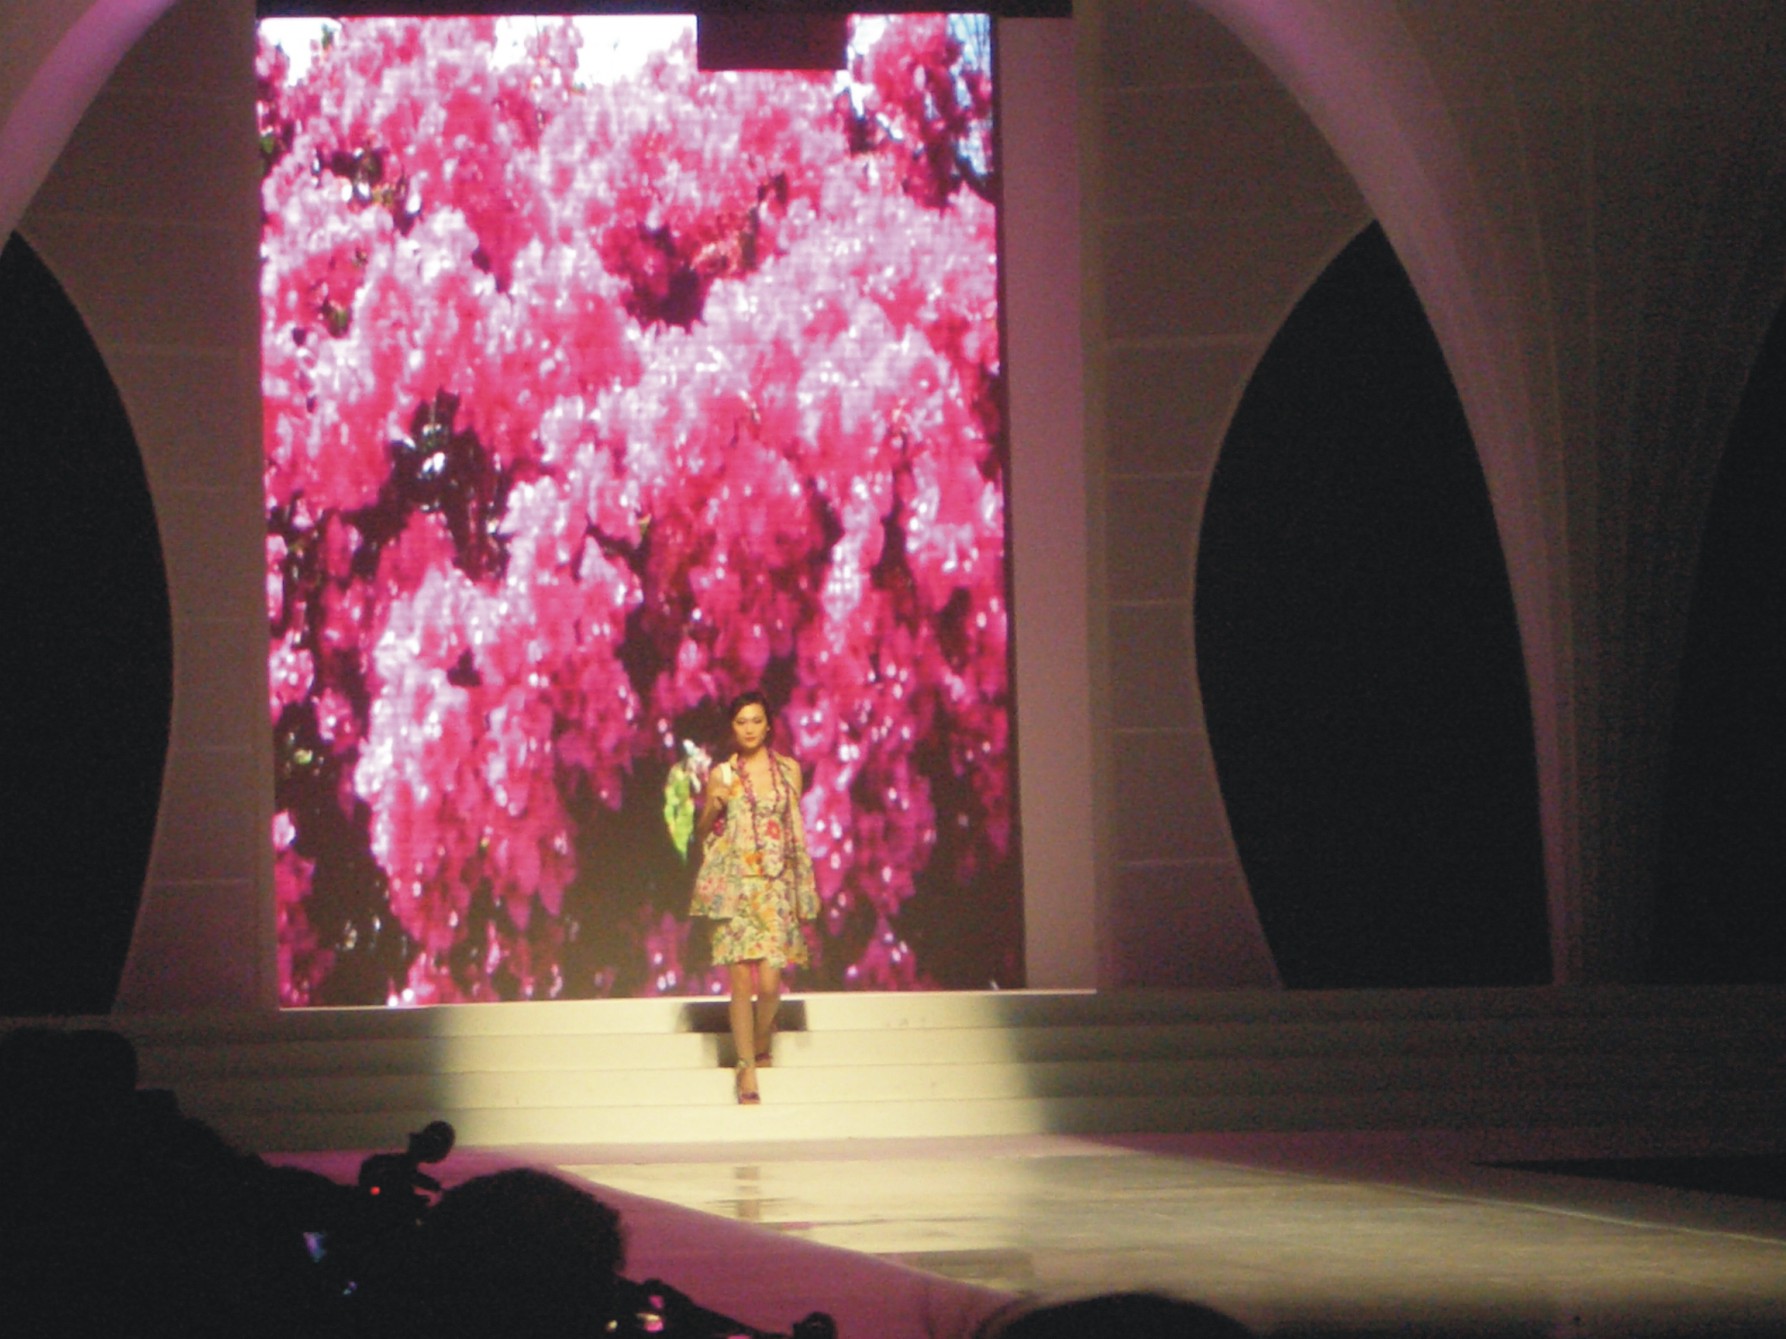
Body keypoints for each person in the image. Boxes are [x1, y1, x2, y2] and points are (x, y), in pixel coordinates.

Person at [689, 690, 818, 1104]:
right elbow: (702, 832)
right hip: (737, 885)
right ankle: (746, 1069)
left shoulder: (789, 771)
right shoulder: (723, 774)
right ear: (733, 727)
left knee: (771, 980)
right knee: (742, 980)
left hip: (775, 885)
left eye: (756, 720)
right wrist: (713, 806)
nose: (749, 729)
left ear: (768, 725)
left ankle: (761, 1039)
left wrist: (800, 889)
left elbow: (795, 832)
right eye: (741, 721)